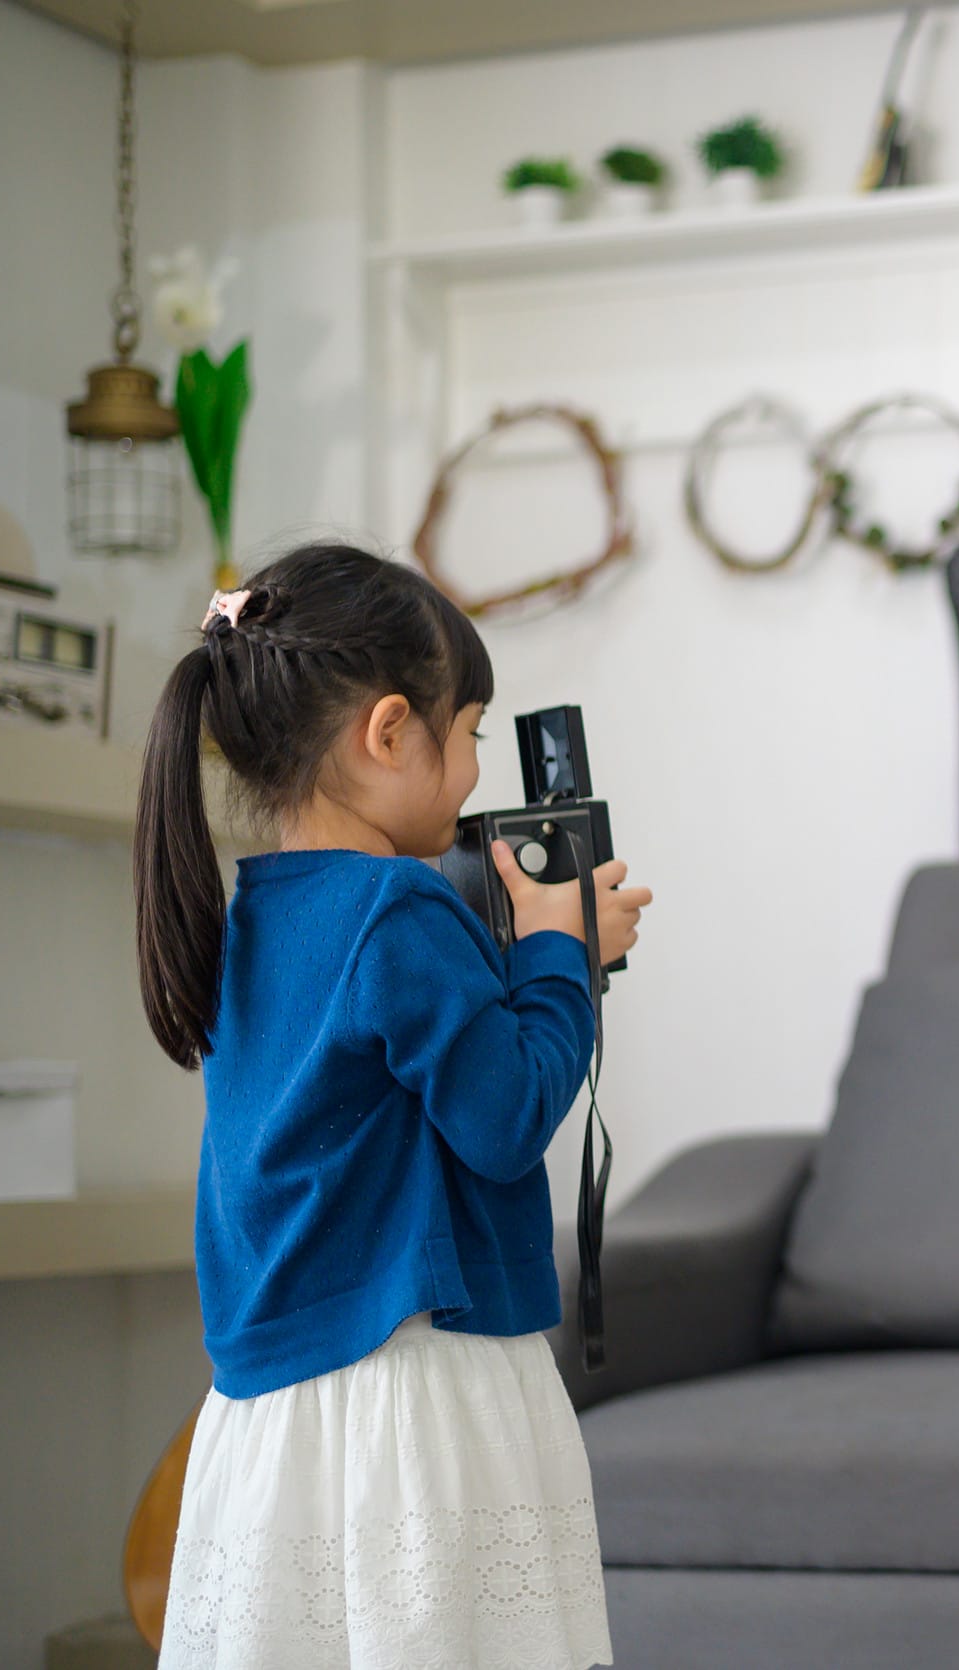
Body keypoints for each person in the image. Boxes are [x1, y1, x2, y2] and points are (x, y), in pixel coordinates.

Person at [134, 541, 651, 1670]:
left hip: (273, 1420)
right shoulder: (399, 912)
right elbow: (506, 1113)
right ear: (388, 731)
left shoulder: (253, 917)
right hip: (418, 1404)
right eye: (467, 735)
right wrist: (563, 952)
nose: (472, 773)